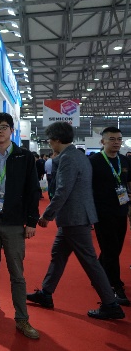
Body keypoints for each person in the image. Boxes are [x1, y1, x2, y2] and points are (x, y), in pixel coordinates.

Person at [27, 122, 125, 320]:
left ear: (56, 139)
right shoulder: (77, 156)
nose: (49, 143)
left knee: (90, 261)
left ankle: (111, 304)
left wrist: (47, 215)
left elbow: (63, 190)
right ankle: (46, 293)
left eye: (49, 139)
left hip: (75, 218)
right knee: (58, 255)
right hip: (74, 217)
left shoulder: (68, 158)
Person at [0, 112, 40, 339]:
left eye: (3, 127)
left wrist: (31, 221)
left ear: (12, 130)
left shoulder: (24, 156)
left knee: (17, 274)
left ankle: (22, 319)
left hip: (13, 223)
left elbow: (33, 190)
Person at [89, 127, 131, 306]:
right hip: (102, 212)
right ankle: (115, 286)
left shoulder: (124, 160)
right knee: (111, 250)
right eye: (112, 139)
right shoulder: (94, 161)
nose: (116, 142)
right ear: (103, 141)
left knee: (115, 248)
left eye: (119, 139)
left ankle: (98, 274)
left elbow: (128, 183)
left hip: (121, 210)